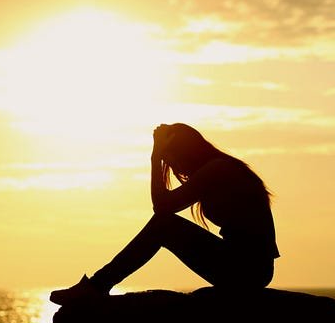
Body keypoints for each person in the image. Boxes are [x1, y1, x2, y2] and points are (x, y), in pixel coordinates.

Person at [50, 123, 279, 305]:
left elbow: (161, 207)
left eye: (172, 160)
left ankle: (96, 286)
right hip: (247, 267)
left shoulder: (217, 169)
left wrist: (155, 157)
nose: (176, 168)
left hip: (247, 268)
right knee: (164, 224)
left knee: (164, 225)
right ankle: (97, 285)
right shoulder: (219, 168)